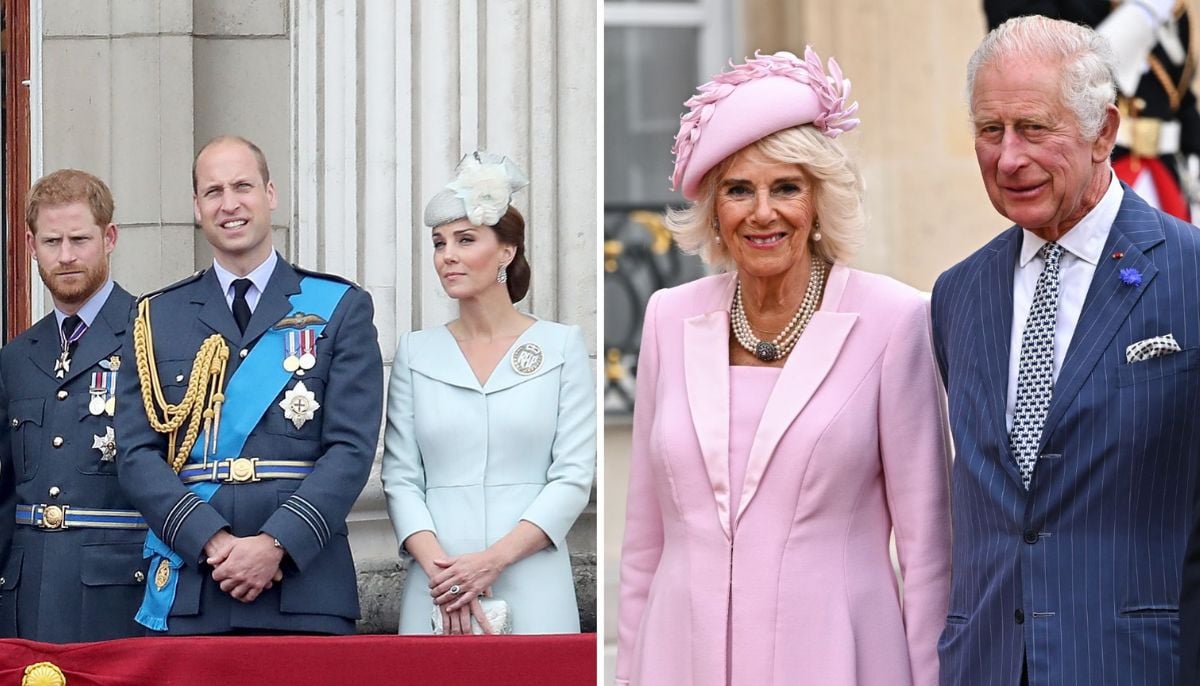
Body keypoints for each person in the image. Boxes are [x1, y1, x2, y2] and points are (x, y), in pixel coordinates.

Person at [615, 49, 952, 685]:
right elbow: (643, 546)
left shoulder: (896, 319)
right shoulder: (667, 317)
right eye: (739, 189)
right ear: (714, 210)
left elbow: (929, 551)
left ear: (819, 201)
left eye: (787, 187)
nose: (762, 212)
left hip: (838, 659)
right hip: (679, 659)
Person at [932, 16, 1200, 685]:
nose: (1008, 157)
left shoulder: (1190, 274)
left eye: (1033, 128)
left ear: (1103, 132)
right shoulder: (957, 295)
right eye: (990, 131)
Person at [114, 135, 383, 635]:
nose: (229, 203)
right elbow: (135, 454)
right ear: (197, 207)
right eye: (213, 191)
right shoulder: (156, 317)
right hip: (195, 582)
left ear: (270, 194)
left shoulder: (340, 307)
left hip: (304, 585)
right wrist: (211, 541)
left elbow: (350, 449)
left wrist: (276, 544)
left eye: (242, 186)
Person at [381, 151, 595, 635]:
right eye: (439, 243)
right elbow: (400, 478)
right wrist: (444, 573)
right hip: (437, 585)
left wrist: (492, 561)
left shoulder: (560, 346)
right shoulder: (415, 353)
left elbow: (572, 477)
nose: (447, 255)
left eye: (465, 239)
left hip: (532, 578)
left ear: (506, 251)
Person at [0, 169, 145, 641]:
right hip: (26, 596)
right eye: (51, 241)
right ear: (30, 245)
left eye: (79, 239)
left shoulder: (152, 335)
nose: (65, 256)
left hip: (119, 595)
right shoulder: (16, 357)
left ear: (109, 237)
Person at [984, 0, 1200, 221]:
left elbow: (1179, 97)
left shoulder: (1171, 8)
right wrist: (1140, 16)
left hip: (1163, 173)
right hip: (1095, 169)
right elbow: (1030, 66)